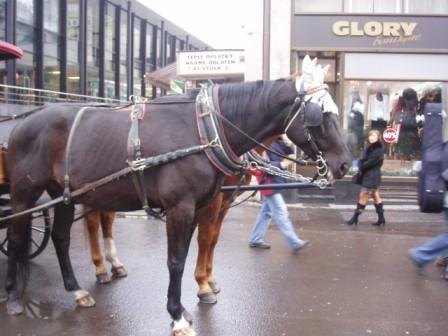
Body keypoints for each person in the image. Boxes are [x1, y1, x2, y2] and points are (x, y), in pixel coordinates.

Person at [247, 135, 310, 252]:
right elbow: (258, 164)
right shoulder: (262, 142)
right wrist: (281, 165)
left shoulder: (277, 141)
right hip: (269, 183)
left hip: (275, 181)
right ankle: (294, 242)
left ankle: (255, 239)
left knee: (266, 213)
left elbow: (290, 153)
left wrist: (288, 141)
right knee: (281, 212)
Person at [346, 129, 385, 226]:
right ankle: (381, 218)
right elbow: (364, 160)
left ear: (378, 138)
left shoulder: (378, 149)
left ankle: (355, 218)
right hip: (371, 175)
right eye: (370, 136)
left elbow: (370, 162)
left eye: (374, 136)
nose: (372, 138)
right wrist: (361, 163)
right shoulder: (370, 147)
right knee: (376, 196)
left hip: (372, 176)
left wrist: (361, 165)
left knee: (363, 196)